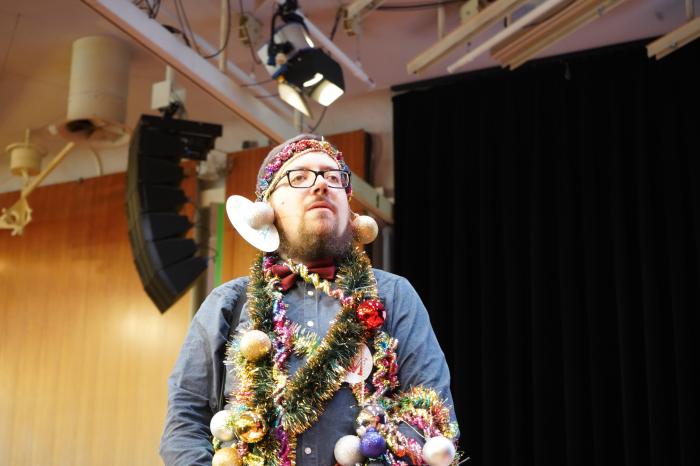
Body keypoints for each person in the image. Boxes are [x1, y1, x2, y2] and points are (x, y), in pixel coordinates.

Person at [160, 135, 460, 466]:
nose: (321, 185)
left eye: (334, 177)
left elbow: (431, 415)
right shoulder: (228, 304)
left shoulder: (393, 295)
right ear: (267, 208)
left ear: (350, 211)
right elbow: (185, 425)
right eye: (299, 177)